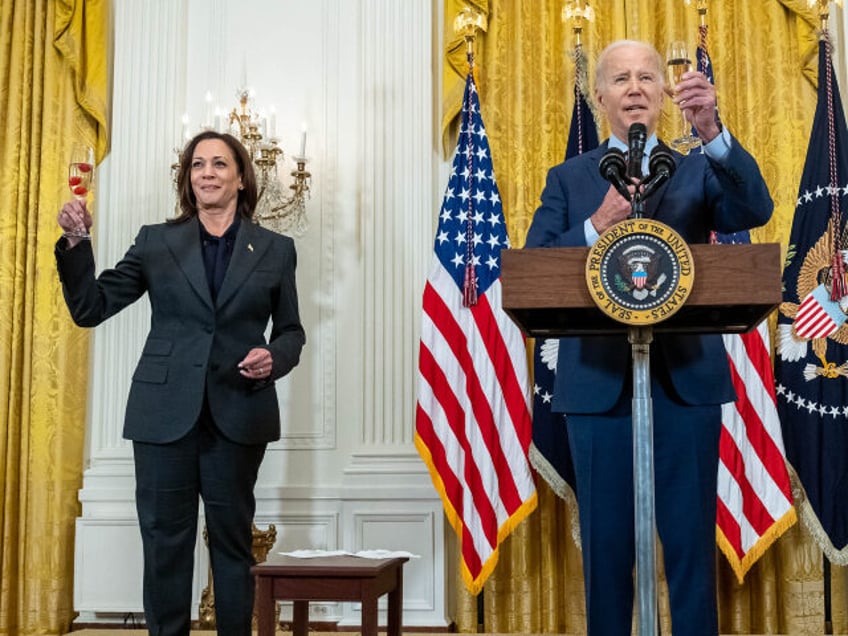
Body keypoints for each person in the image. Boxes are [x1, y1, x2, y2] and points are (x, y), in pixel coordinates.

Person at [524, 40, 773, 634]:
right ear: (600, 95)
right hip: (598, 387)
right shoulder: (569, 179)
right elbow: (534, 267)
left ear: (665, 94)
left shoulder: (696, 167)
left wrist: (711, 130)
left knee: (689, 546)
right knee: (607, 550)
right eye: (620, 78)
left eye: (646, 78)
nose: (634, 88)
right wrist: (596, 223)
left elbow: (754, 208)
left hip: (684, 383)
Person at [55, 130, 306, 636]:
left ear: (240, 178)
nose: (206, 173)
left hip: (238, 411)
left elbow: (292, 331)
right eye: (197, 165)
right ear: (187, 178)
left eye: (218, 164)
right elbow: (91, 307)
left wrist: (273, 358)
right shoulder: (157, 241)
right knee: (165, 542)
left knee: (233, 543)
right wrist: (77, 243)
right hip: (162, 413)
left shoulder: (277, 249)